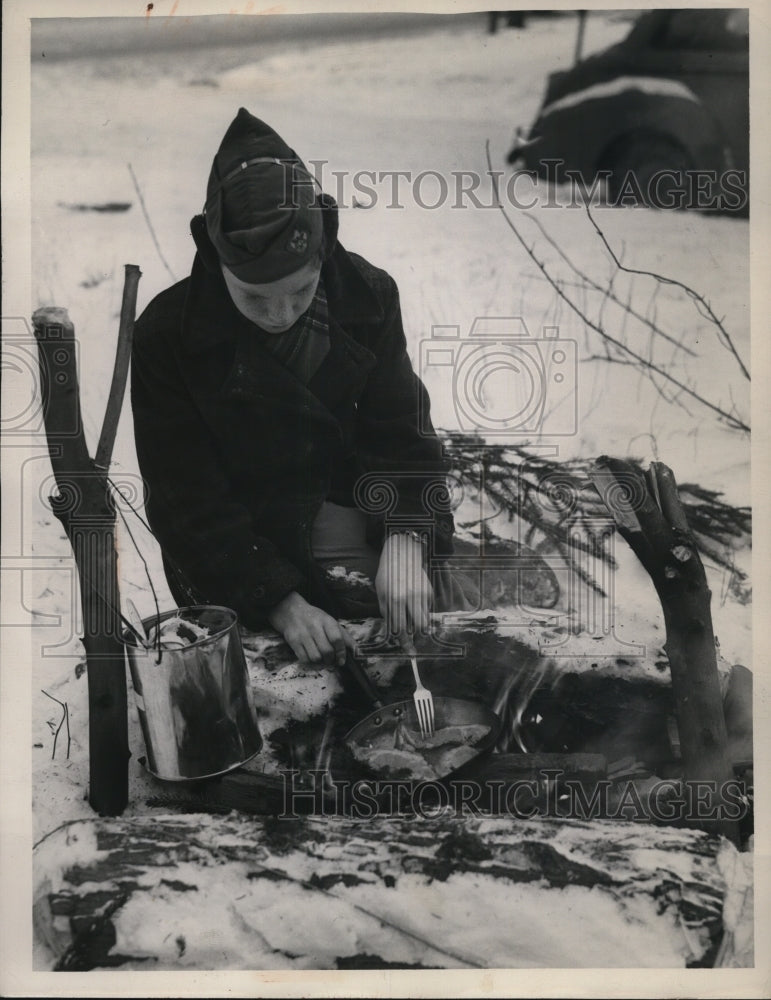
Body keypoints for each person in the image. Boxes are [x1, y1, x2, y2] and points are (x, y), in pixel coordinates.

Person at [131, 108, 461, 669]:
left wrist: (407, 534)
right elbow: (187, 503)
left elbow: (402, 436)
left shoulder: (369, 295)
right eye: (254, 298)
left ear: (322, 251)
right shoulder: (168, 335)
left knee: (431, 640)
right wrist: (280, 602)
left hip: (352, 510)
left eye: (300, 291)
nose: (280, 314)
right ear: (217, 262)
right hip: (241, 550)